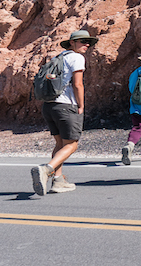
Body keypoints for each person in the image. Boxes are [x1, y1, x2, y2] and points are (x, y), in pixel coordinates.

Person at [32, 29, 97, 196]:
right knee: (72, 144)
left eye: (88, 42)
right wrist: (81, 105)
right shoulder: (77, 58)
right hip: (66, 106)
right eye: (82, 41)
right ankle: (46, 169)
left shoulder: (59, 57)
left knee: (60, 144)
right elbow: (78, 84)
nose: (86, 44)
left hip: (49, 106)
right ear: (72, 43)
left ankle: (58, 181)